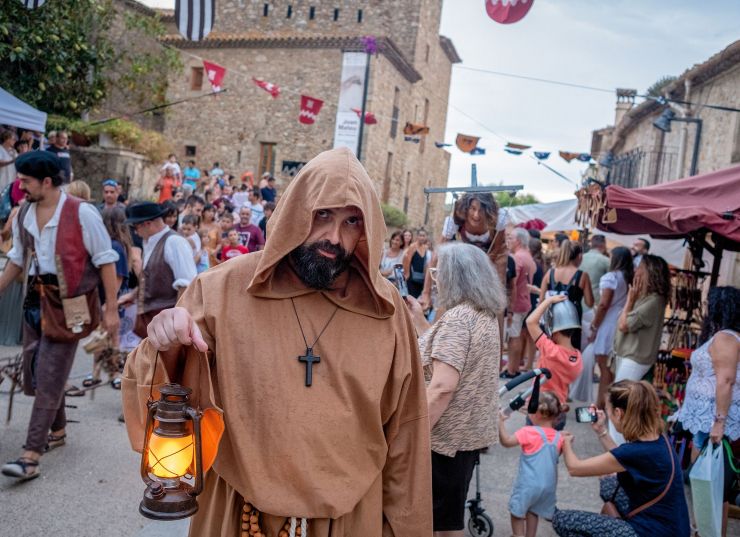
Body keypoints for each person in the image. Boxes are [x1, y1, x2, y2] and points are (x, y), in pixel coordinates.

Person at [121, 147, 432, 536]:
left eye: (352, 221)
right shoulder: (222, 289)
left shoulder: (389, 314)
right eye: (323, 215)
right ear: (296, 211)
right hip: (237, 511)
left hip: (348, 520)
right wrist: (167, 342)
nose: (334, 238)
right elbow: (159, 391)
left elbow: (407, 436)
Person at [0, 151, 120, 481]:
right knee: (36, 374)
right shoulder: (25, 211)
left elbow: (106, 260)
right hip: (35, 302)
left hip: (71, 307)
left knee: (51, 375)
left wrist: (111, 310)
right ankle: (59, 429)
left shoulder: (83, 213)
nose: (19, 186)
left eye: (25, 181)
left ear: (47, 182)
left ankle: (30, 456)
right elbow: (17, 259)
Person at [404, 242, 504, 537]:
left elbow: (442, 387)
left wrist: (411, 433)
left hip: (443, 440)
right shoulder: (483, 314)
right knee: (448, 519)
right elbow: (451, 357)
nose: (435, 279)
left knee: (440, 525)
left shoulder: (459, 320)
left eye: (437, 272)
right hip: (466, 438)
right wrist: (422, 324)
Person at [552, 380, 690, 537]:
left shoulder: (635, 452)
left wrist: (566, 441)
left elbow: (575, 468)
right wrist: (601, 430)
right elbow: (624, 458)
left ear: (618, 413)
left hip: (650, 532)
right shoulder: (659, 438)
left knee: (563, 521)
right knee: (608, 485)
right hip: (673, 527)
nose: (608, 415)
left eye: (608, 410)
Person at [677, 286, 739, 535]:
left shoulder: (725, 338)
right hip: (705, 420)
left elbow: (725, 380)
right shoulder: (726, 337)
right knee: (711, 486)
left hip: (711, 422)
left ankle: (705, 532)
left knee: (708, 486)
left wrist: (719, 422)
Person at [609, 254, 670, 444]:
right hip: (628, 355)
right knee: (622, 404)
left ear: (650, 272)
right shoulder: (645, 298)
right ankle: (619, 452)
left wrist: (628, 300)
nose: (635, 271)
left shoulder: (654, 301)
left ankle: (617, 455)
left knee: (618, 403)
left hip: (635, 358)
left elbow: (623, 324)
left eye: (640, 268)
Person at [124, 201, 197, 339]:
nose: (135, 232)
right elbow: (151, 276)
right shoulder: (150, 241)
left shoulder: (175, 242)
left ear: (147, 224)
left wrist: (177, 324)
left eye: (136, 227)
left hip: (167, 323)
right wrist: (134, 295)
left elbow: (187, 285)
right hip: (152, 319)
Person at [499, 392, 564, 537]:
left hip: (528, 485)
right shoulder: (559, 437)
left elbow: (506, 442)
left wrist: (500, 422)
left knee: (517, 512)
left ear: (536, 414)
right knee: (533, 510)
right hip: (548, 487)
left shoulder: (528, 432)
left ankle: (518, 535)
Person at [525, 294, 582, 429]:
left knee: (533, 446)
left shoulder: (550, 349)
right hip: (558, 410)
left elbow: (530, 321)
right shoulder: (578, 357)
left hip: (539, 407)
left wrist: (548, 300)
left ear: (553, 329)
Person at [590, 246, 633, 409]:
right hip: (621, 319)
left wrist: (594, 325)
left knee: (604, 369)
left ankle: (600, 405)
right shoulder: (629, 277)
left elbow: (603, 304)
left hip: (608, 323)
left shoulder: (611, 277)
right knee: (612, 369)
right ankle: (606, 404)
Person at [539, 239, 594, 349]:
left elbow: (541, 300)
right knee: (570, 355)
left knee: (552, 351)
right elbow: (590, 303)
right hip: (572, 323)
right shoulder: (582, 276)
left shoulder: (550, 273)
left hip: (552, 321)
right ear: (579, 256)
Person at [504, 227, 537, 378]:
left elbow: (512, 283)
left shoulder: (518, 257)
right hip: (524, 301)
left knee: (514, 336)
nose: (508, 241)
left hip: (517, 303)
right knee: (516, 335)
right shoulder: (527, 256)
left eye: (510, 238)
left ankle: (511, 369)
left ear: (517, 241)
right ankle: (513, 367)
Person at [579, 235, 610, 308]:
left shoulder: (580, 258)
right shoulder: (605, 260)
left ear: (591, 244)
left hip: (578, 300)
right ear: (603, 245)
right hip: (595, 302)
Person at [402, 228, 432, 299]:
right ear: (417, 236)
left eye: (424, 236)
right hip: (412, 278)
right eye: (420, 235)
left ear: (426, 237)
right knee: (411, 298)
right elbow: (407, 260)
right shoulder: (413, 246)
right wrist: (407, 274)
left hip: (421, 278)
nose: (422, 237)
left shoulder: (425, 247)